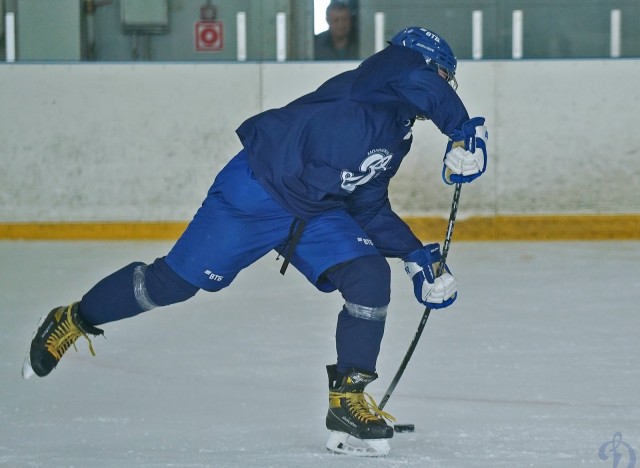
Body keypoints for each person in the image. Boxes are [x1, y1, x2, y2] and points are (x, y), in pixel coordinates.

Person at [22, 26, 488, 457]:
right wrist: (463, 130)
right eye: (443, 79)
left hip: (314, 211)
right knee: (170, 284)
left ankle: (347, 399)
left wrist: (414, 255)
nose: (443, 90)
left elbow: (365, 205)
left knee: (368, 274)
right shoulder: (384, 72)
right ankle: (75, 318)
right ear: (428, 68)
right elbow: (419, 80)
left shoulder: (397, 133)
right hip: (256, 192)